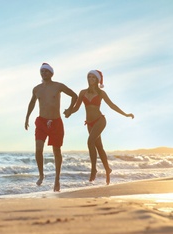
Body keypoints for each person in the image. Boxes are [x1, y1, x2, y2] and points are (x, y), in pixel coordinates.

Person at [64, 70, 134, 185]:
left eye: (93, 77)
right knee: (99, 147)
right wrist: (69, 112)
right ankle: (107, 169)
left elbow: (112, 105)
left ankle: (93, 169)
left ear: (97, 80)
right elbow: (76, 108)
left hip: (100, 121)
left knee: (90, 141)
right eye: (89, 77)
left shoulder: (101, 93)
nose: (90, 79)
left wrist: (125, 114)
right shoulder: (82, 92)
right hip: (90, 123)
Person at [25, 63, 77, 192]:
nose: (44, 73)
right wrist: (27, 118)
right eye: (42, 71)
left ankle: (57, 179)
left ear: (51, 73)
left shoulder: (58, 86)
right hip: (41, 122)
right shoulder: (36, 89)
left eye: (46, 71)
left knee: (57, 151)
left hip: (56, 123)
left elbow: (74, 96)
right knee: (38, 149)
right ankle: (41, 175)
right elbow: (32, 103)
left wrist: (70, 110)